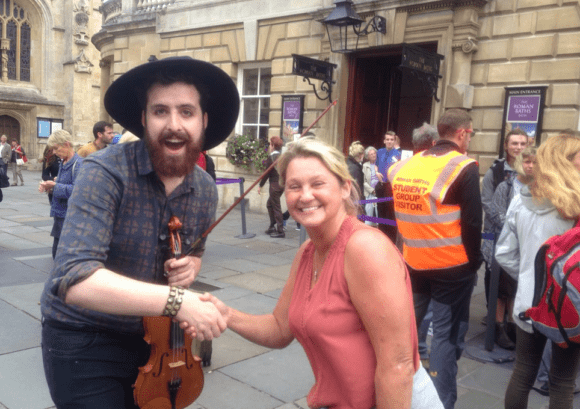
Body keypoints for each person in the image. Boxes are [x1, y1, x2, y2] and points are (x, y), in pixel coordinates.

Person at [39, 56, 239, 408]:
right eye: (161, 111)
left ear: (203, 121)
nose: (174, 125)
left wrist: (192, 264)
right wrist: (179, 302)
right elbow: (73, 278)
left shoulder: (205, 190)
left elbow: (195, 251)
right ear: (144, 119)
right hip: (85, 338)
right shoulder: (104, 171)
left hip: (158, 341)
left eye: (187, 112)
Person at [196, 137, 442, 409]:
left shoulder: (365, 248)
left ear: (345, 187)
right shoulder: (307, 252)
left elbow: (398, 366)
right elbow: (279, 328)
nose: (305, 195)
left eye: (318, 184)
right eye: (294, 186)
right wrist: (226, 314)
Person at [388, 109, 482, 409]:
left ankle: (397, 386)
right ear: (462, 133)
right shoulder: (463, 166)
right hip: (452, 266)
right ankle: (441, 401)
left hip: (414, 261)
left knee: (408, 329)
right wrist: (474, 261)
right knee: (444, 336)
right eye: (471, 133)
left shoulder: (405, 166)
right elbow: (472, 223)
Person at [495, 133, 580, 409]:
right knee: (563, 382)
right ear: (567, 161)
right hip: (568, 304)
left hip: (527, 302)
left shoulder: (522, 197)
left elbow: (504, 253)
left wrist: (530, 277)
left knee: (522, 373)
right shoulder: (575, 205)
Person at [486, 147, 537, 350]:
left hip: (528, 246)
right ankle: (498, 327)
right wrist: (517, 231)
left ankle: (512, 324)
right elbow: (496, 213)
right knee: (501, 290)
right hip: (506, 244)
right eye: (526, 162)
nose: (530, 166)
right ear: (519, 164)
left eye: (534, 162)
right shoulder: (505, 187)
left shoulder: (541, 188)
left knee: (517, 287)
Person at [481, 128, 528, 323]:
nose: (518, 147)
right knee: (493, 274)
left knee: (516, 274)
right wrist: (508, 225)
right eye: (514, 143)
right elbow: (487, 201)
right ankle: (493, 316)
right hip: (496, 233)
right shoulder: (496, 170)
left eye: (522, 143)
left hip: (522, 234)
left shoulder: (530, 168)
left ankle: (511, 317)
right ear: (506, 146)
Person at [38, 130, 83, 259]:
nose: (54, 153)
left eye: (56, 149)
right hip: (60, 215)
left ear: (67, 144)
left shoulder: (79, 164)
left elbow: (78, 190)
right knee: (57, 255)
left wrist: (55, 186)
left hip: (70, 218)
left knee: (63, 257)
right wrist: (49, 186)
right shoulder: (63, 162)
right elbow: (63, 185)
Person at [375, 131, 401, 243]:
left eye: (391, 139)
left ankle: (390, 239)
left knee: (390, 213)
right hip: (380, 186)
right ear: (384, 141)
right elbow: (375, 165)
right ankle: (381, 236)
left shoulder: (399, 154)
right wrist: (376, 172)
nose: (389, 141)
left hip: (391, 187)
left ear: (394, 141)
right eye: (388, 139)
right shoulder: (379, 152)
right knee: (381, 212)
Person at [258, 136, 285, 238]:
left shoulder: (271, 158)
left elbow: (266, 174)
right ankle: (272, 226)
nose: (269, 146)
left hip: (274, 185)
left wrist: (260, 185)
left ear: (273, 146)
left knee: (276, 207)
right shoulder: (282, 157)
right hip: (281, 185)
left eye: (270, 144)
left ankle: (280, 231)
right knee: (270, 204)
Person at [362, 146, 382, 226]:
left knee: (378, 212)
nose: (373, 155)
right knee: (369, 211)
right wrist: (371, 190)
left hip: (379, 192)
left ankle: (378, 228)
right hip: (370, 192)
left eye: (374, 153)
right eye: (371, 154)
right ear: (367, 156)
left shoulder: (380, 164)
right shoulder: (365, 166)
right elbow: (364, 182)